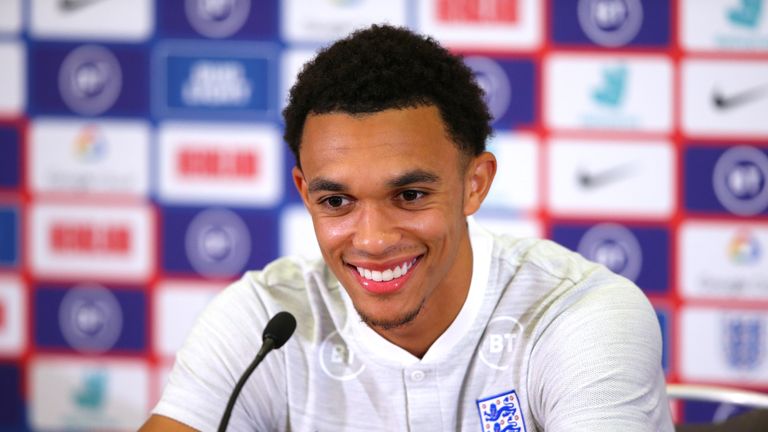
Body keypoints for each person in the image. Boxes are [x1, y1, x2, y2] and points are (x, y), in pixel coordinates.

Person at [141, 24, 673, 431]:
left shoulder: (581, 315)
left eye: (410, 195)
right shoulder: (265, 319)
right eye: (337, 200)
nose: (372, 239)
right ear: (305, 193)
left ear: (475, 183)